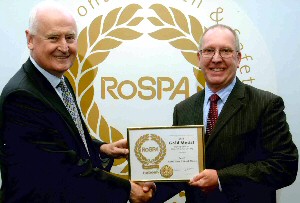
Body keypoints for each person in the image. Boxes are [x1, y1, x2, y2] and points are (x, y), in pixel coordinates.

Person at [0, 1, 154, 202]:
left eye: (70, 37)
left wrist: (101, 149)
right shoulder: (22, 98)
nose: (64, 47)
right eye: (54, 38)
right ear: (30, 39)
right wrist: (127, 190)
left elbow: (61, 138)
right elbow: (62, 169)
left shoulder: (58, 81)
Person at [151, 24, 298, 203]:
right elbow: (182, 170)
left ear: (238, 58)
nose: (216, 58)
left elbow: (284, 167)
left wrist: (221, 178)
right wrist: (148, 192)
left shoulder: (265, 104)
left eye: (226, 51)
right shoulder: (183, 109)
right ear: (199, 58)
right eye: (209, 50)